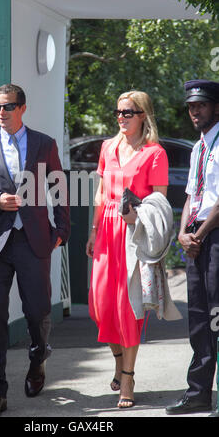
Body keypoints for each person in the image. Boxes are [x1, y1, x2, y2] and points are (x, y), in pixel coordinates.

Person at [0, 83, 70, 417]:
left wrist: (61, 232)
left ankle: (38, 359)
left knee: (37, 313)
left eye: (7, 107)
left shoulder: (44, 144)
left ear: (22, 108)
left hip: (34, 241)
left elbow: (59, 187)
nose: (1, 113)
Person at [86, 90, 181, 409]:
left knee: (129, 305)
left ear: (143, 115)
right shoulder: (107, 147)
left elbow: (160, 202)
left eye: (128, 112)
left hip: (134, 233)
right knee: (100, 306)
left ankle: (127, 376)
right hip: (106, 232)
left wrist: (137, 217)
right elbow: (101, 192)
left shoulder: (155, 153)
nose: (121, 118)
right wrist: (94, 229)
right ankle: (117, 360)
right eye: (118, 112)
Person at [166, 80, 219, 415]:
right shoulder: (198, 146)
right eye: (191, 106)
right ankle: (198, 393)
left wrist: (198, 235)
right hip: (196, 238)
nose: (194, 111)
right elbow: (190, 197)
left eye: (201, 105)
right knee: (198, 318)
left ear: (217, 107)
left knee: (217, 315)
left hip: (214, 238)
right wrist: (184, 233)